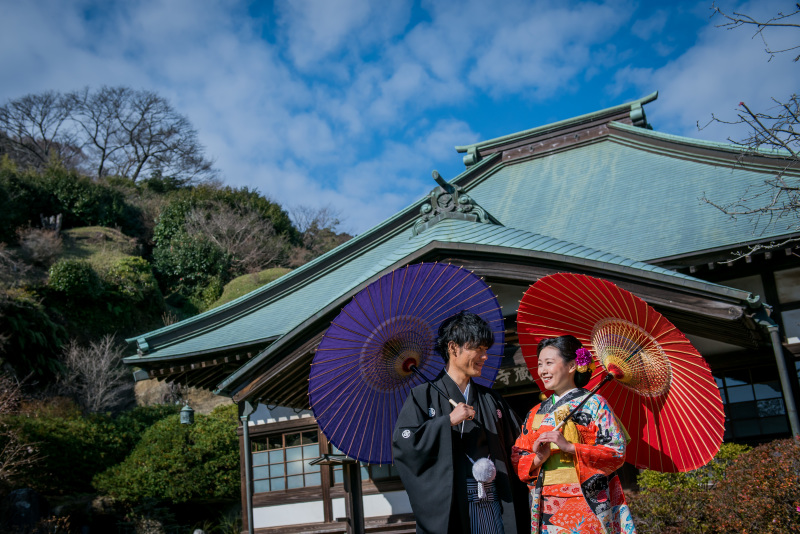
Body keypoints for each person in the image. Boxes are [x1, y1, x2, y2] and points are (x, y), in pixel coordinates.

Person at [392, 310, 531, 534]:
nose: (484, 356)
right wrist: (446, 421)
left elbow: (520, 442)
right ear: (453, 348)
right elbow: (405, 445)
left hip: (495, 495)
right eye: (478, 349)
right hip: (454, 500)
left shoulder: (491, 398)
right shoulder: (421, 396)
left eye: (486, 350)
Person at [511, 335, 637, 534]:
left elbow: (616, 452)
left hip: (586, 500)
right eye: (540, 364)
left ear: (571, 366)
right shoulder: (536, 412)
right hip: (546, 501)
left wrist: (570, 447)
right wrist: (538, 458)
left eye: (549, 363)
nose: (542, 370)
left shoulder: (595, 404)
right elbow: (519, 456)